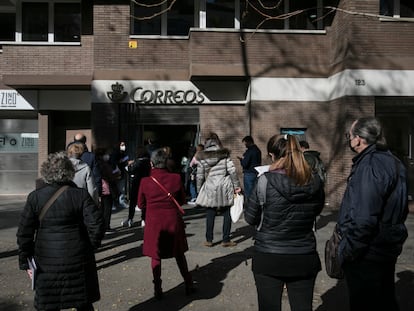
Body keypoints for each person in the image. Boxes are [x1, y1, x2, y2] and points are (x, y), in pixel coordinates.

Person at [244, 134, 325, 311]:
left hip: (269, 256)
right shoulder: (315, 181)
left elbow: (250, 218)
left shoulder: (264, 181)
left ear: (272, 155)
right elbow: (316, 211)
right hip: (304, 255)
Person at [17, 152, 105, 311]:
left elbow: (24, 232)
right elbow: (97, 223)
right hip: (77, 257)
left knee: (50, 303)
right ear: (69, 172)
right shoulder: (80, 195)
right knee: (82, 302)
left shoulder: (35, 197)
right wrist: (90, 246)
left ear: (46, 172)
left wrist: (26, 261)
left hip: (46, 260)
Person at [337, 117, 408, 311]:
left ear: (358, 139)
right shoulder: (393, 161)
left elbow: (363, 219)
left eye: (349, 136)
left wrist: (348, 251)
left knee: (366, 302)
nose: (349, 140)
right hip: (386, 246)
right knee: (384, 299)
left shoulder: (369, 166)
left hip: (368, 252)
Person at [138, 148, 194, 300]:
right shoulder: (176, 178)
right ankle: (188, 283)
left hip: (154, 222)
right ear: (166, 162)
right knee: (179, 253)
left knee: (156, 255)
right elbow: (182, 200)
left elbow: (140, 203)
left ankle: (157, 288)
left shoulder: (145, 181)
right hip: (172, 220)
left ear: (151, 163)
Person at [196, 132, 241, 247]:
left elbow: (199, 175)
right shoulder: (224, 154)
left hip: (210, 186)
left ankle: (209, 240)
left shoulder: (202, 156)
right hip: (225, 185)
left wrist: (199, 189)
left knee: (210, 213)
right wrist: (236, 186)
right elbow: (232, 171)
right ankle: (226, 240)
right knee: (227, 213)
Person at [121, 145, 151, 228]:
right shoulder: (149, 162)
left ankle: (130, 219)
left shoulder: (138, 162)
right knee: (144, 201)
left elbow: (129, 170)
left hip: (137, 183)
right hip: (146, 183)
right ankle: (144, 219)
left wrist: (129, 166)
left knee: (133, 202)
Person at [71, 133, 102, 198]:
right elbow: (97, 177)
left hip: (70, 195)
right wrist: (98, 195)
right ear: (85, 141)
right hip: (86, 194)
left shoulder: (67, 157)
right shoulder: (91, 157)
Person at [96, 148, 119, 233]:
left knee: (102, 208)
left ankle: (103, 226)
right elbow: (109, 175)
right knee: (107, 208)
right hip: (105, 187)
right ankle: (106, 226)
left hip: (100, 187)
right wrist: (115, 174)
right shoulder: (103, 164)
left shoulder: (97, 163)